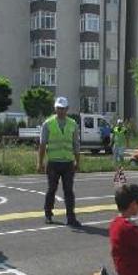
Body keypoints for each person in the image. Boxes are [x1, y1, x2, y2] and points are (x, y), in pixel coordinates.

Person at [37, 97, 81, 227]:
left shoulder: (73, 124)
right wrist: (40, 162)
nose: (60, 111)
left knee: (69, 191)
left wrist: (77, 162)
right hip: (53, 163)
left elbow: (76, 144)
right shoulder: (48, 124)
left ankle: (71, 217)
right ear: (55, 108)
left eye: (63, 108)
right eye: (58, 108)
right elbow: (42, 145)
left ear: (67, 109)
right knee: (52, 189)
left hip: (68, 163)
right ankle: (48, 214)